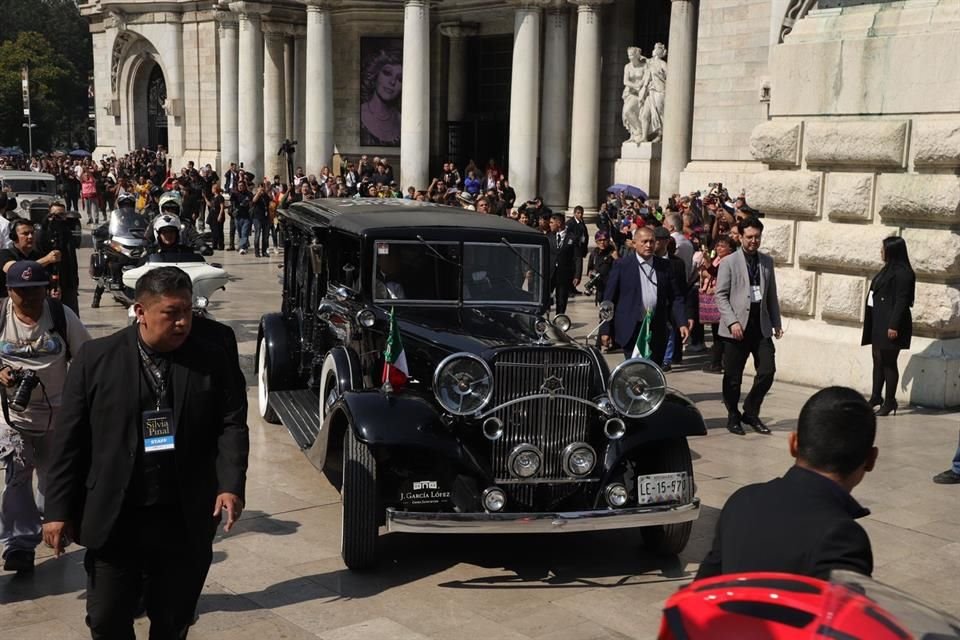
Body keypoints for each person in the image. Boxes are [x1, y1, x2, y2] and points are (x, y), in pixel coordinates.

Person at [43, 267, 248, 638]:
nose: (183, 322)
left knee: (172, 619)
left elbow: (231, 423)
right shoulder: (95, 358)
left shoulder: (211, 357)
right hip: (116, 515)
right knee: (106, 617)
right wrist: (57, 510)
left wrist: (229, 484)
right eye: (171, 313)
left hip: (182, 516)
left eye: (188, 311)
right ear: (140, 311)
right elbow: (69, 440)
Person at [695, 386, 877, 581]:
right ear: (870, 460)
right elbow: (846, 609)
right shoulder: (843, 538)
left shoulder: (741, 501)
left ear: (793, 444)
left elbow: (700, 592)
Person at [0, 261, 90, 574]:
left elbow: (87, 358)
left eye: (36, 290)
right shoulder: (1, 316)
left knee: (54, 476)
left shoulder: (62, 316)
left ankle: (54, 523)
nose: (29, 298)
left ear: (46, 288)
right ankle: (20, 545)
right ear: (10, 290)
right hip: (12, 416)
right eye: (22, 292)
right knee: (18, 478)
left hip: (59, 413)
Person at [715, 216, 782, 436]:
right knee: (733, 377)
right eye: (750, 237)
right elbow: (721, 296)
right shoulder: (729, 262)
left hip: (759, 326)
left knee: (767, 371)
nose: (754, 241)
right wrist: (732, 321)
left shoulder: (766, 262)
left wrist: (776, 323)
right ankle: (733, 415)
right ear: (741, 237)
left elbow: (771, 295)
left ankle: (751, 411)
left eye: (757, 237)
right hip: (736, 328)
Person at [601, 226, 689, 362]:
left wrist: (682, 322)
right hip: (631, 327)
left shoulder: (665, 266)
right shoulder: (622, 265)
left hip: (656, 328)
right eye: (644, 242)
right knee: (634, 370)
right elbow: (608, 300)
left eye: (652, 242)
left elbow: (676, 297)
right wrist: (605, 330)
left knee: (653, 370)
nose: (648, 245)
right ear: (634, 243)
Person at [862, 236, 915, 417]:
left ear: (892, 251)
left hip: (892, 324)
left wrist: (894, 325)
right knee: (878, 360)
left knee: (888, 363)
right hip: (878, 321)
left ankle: (890, 400)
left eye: (883, 249)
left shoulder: (904, 273)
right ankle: (876, 396)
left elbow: (902, 301)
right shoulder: (887, 270)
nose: (881, 252)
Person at [699, 235, 737, 374]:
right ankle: (717, 362)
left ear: (730, 248)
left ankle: (718, 363)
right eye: (717, 245)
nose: (718, 248)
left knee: (720, 334)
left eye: (722, 246)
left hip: (722, 299)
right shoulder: (718, 258)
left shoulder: (729, 260)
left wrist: (708, 264)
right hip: (714, 296)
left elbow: (717, 273)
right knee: (717, 333)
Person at [37, 201, 82, 316]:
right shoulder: (41, 236)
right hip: (49, 284)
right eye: (54, 215)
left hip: (68, 283)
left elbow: (72, 260)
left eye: (61, 215)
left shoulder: (67, 233)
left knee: (72, 317)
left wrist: (74, 283)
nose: (57, 219)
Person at [0, 219, 62, 301]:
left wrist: (55, 289)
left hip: (38, 304)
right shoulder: (4, 254)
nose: (30, 236)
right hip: (10, 304)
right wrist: (47, 260)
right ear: (14, 237)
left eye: (32, 233)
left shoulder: (39, 256)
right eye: (25, 234)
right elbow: (17, 271)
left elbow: (50, 278)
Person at [360, 49, 402, 146]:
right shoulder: (360, 113)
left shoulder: (402, 120)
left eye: (400, 79)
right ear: (376, 75)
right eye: (387, 73)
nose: (392, 82)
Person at [547, 213, 576, 314]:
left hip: (564, 274)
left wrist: (577, 275)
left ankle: (559, 320)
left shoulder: (572, 237)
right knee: (545, 298)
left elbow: (577, 257)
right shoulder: (548, 237)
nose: (549, 224)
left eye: (551, 222)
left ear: (558, 223)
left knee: (561, 300)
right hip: (549, 273)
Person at [586, 230, 618, 306]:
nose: (602, 243)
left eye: (604, 240)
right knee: (602, 310)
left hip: (611, 287)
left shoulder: (613, 253)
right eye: (599, 240)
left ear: (608, 241)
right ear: (596, 241)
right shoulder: (594, 254)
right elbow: (590, 268)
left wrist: (617, 259)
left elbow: (622, 269)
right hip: (600, 287)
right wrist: (591, 273)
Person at [566, 206, 589, 293]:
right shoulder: (570, 223)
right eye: (578, 213)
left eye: (581, 213)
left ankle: (573, 287)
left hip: (580, 248)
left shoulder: (581, 222)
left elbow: (585, 235)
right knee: (574, 268)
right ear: (574, 213)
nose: (580, 215)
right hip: (573, 249)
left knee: (577, 268)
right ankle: (570, 288)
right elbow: (568, 235)